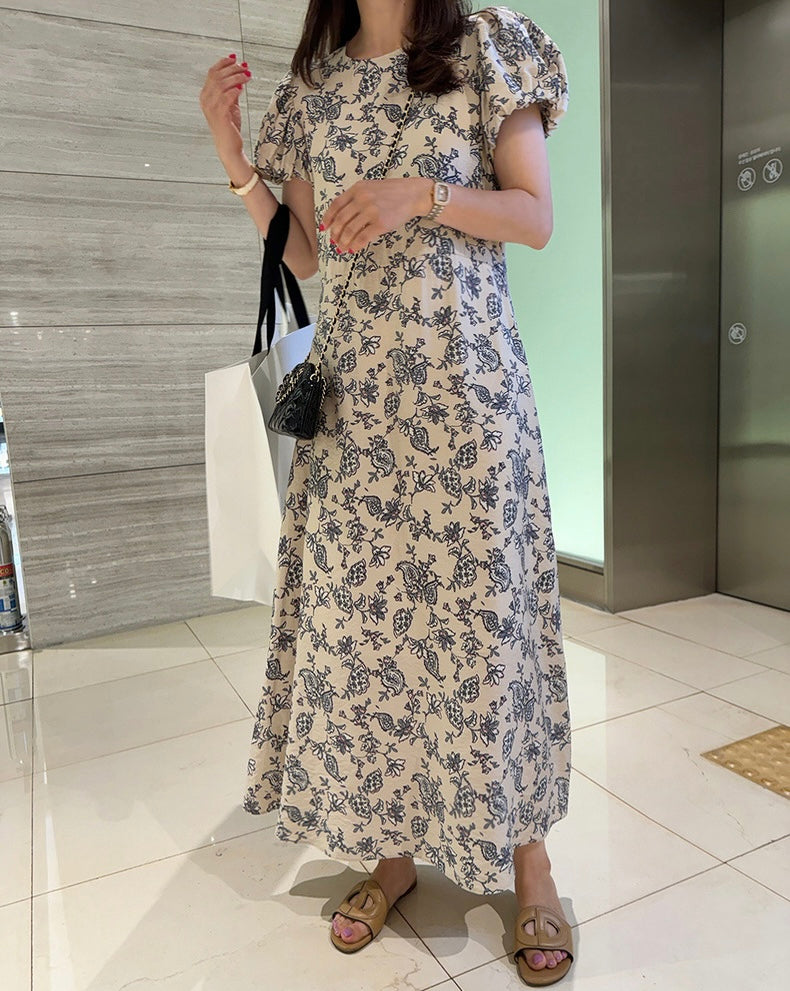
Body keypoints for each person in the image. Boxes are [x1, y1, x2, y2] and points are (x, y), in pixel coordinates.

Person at [200, 2, 573, 985]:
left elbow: (534, 217)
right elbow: (306, 254)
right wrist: (235, 158)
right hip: (357, 415)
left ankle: (530, 864)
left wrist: (426, 195)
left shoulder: (485, 46)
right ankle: (392, 850)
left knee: (489, 631)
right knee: (370, 639)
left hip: (468, 398)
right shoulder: (313, 86)